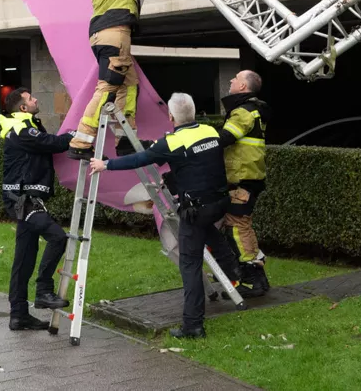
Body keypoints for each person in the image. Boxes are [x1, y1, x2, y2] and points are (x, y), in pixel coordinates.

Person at [90, 92, 240, 339]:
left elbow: (141, 159)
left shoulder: (171, 143)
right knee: (208, 230)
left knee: (190, 265)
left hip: (197, 208)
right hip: (220, 202)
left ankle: (193, 325)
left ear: (170, 116)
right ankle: (233, 268)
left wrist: (106, 165)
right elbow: (195, 159)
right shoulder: (211, 131)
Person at [68, 0, 160, 159]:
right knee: (107, 88)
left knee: (128, 86)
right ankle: (81, 140)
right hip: (115, 33)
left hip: (102, 35)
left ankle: (126, 139)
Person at [0, 87, 74, 331]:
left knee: (24, 258)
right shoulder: (23, 128)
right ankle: (44, 290)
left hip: (22, 199)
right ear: (22, 107)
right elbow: (51, 143)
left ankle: (19, 315)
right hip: (24, 200)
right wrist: (75, 134)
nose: (35, 100)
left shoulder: (23, 125)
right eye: (30, 98)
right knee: (57, 237)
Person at [217, 70, 271, 298]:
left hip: (243, 180)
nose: (230, 80)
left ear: (243, 87)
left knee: (238, 226)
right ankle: (253, 275)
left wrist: (196, 141)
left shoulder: (244, 112)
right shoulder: (253, 110)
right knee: (240, 225)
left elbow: (224, 138)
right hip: (248, 178)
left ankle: (253, 278)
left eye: (235, 79)